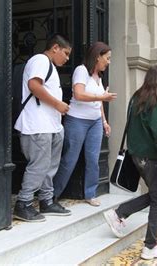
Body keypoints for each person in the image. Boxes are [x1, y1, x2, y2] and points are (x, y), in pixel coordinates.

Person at [102, 65, 157, 260]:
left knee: (155, 195)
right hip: (150, 158)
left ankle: (119, 213)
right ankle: (150, 246)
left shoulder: (137, 98)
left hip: (136, 155)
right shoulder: (154, 102)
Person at [13, 34, 72, 222]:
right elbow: (34, 86)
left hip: (50, 125)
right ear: (55, 48)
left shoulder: (50, 66)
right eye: (66, 53)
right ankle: (23, 204)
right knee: (39, 165)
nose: (67, 58)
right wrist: (58, 104)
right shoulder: (40, 60)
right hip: (37, 125)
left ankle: (46, 200)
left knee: (49, 166)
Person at [53, 41, 117, 207]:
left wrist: (104, 121)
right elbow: (79, 94)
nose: (109, 62)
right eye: (107, 58)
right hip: (77, 120)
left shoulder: (98, 77)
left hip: (95, 121)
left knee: (93, 160)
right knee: (70, 159)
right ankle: (53, 194)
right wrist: (102, 97)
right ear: (97, 57)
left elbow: (99, 102)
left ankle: (90, 193)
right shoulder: (81, 71)